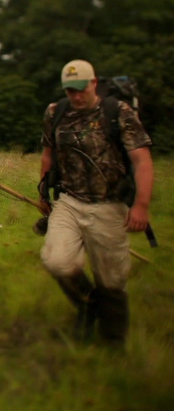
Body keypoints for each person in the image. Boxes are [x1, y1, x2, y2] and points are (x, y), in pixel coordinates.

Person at [39, 60, 154, 346]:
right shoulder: (56, 112)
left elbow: (142, 160)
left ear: (93, 83)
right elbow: (47, 155)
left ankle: (112, 344)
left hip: (109, 204)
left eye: (80, 89)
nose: (76, 96)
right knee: (58, 262)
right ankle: (89, 306)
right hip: (69, 201)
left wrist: (141, 206)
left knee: (111, 279)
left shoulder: (118, 113)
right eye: (70, 90)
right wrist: (44, 193)